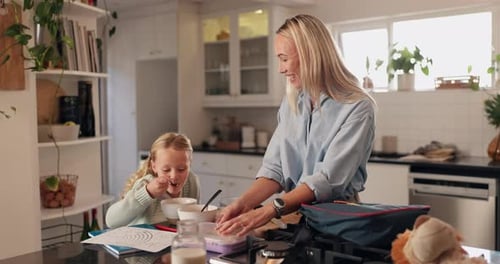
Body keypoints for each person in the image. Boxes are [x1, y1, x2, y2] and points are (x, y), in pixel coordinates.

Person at [216, 14, 376, 236]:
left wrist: (272, 209)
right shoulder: (293, 103)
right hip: (295, 215)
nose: (281, 69)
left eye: (284, 58)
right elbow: (275, 168)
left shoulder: (357, 106)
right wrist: (242, 204)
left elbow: (327, 180)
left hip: (337, 220)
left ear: (311, 55)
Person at [105, 132, 197, 228]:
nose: (174, 176)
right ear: (154, 166)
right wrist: (148, 193)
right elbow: (111, 221)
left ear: (190, 165)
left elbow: (193, 220)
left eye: (181, 169)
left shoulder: (192, 182)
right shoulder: (145, 185)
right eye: (166, 170)